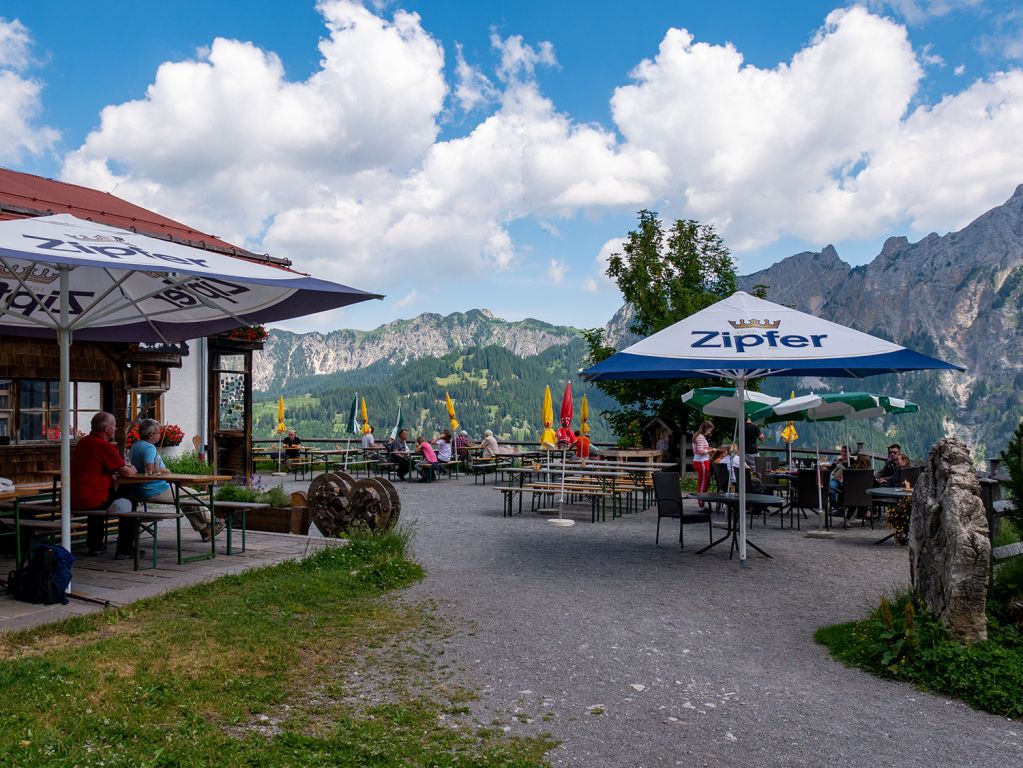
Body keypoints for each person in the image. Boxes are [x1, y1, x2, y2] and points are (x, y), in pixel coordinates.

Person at [128, 418, 222, 542]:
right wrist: (165, 471)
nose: (160, 435)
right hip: (155, 489)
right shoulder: (149, 448)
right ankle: (214, 521)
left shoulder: (135, 446)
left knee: (184, 499)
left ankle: (205, 531)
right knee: (193, 495)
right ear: (151, 435)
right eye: (158, 432)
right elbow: (149, 469)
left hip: (141, 490)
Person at [71, 411, 138, 558]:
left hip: (75, 497)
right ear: (107, 429)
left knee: (103, 500)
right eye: (114, 426)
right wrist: (134, 468)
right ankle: (124, 549)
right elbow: (127, 473)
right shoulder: (104, 446)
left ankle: (95, 546)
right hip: (93, 498)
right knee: (130, 501)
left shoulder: (83, 442)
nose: (115, 429)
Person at [692, 421, 714, 507]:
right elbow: (700, 451)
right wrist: (711, 450)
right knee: (703, 483)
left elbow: (700, 449)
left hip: (700, 461)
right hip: (702, 462)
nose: (710, 432)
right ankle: (701, 503)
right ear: (706, 428)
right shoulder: (700, 437)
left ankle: (701, 502)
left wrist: (709, 449)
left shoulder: (697, 436)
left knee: (703, 482)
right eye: (710, 430)